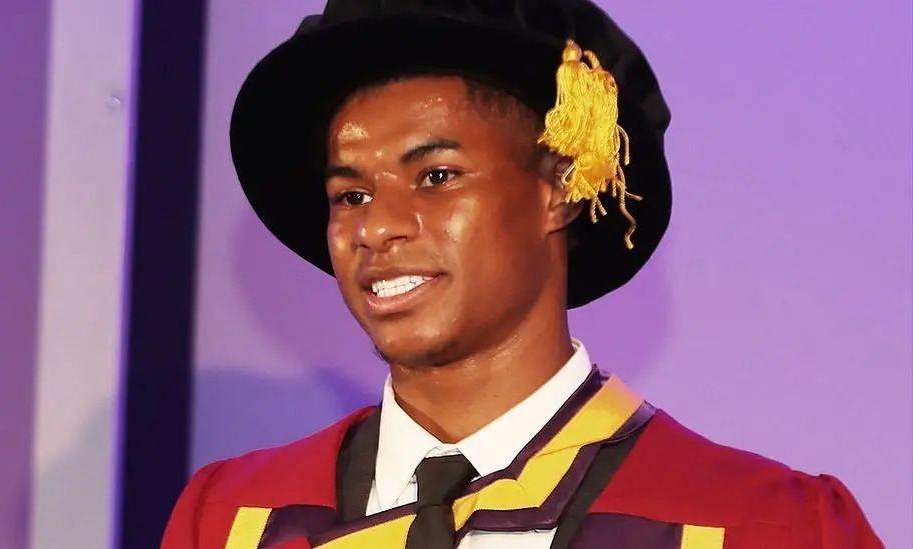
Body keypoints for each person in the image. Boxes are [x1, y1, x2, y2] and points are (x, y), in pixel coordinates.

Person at [161, 1, 882, 547]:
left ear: (559, 189)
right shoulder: (232, 518)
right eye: (351, 194)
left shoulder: (759, 524)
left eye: (436, 175)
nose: (375, 226)